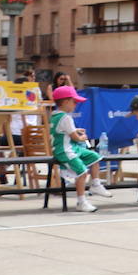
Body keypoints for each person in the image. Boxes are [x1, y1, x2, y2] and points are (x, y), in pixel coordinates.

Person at [49, 84, 114, 212]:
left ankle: (95, 184)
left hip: (67, 148)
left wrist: (75, 130)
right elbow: (74, 137)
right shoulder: (66, 117)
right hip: (65, 151)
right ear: (66, 101)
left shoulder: (55, 115)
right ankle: (81, 201)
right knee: (82, 172)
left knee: (95, 157)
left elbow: (61, 131)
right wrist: (82, 137)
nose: (76, 105)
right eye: (74, 102)